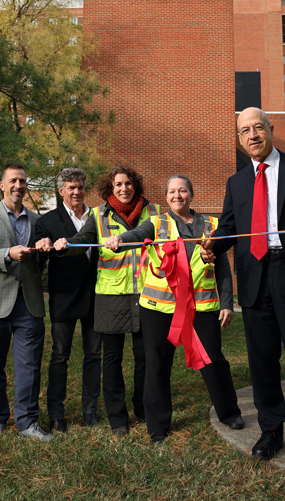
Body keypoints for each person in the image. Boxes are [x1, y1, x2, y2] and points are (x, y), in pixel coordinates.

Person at [201, 107, 285, 465]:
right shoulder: (236, 182)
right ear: (240, 140)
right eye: (245, 130)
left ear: (271, 130)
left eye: (258, 127)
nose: (253, 135)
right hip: (255, 275)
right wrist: (212, 245)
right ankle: (271, 430)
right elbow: (228, 229)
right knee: (262, 360)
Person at [104, 175, 244, 443]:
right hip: (159, 307)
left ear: (192, 194)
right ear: (166, 196)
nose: (177, 195)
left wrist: (227, 303)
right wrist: (120, 239)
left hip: (202, 306)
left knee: (213, 359)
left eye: (182, 191)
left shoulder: (211, 226)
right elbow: (136, 236)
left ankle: (229, 413)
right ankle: (158, 427)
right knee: (156, 364)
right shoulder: (157, 223)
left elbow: (223, 267)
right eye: (171, 191)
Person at [42, 165, 160, 437]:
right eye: (118, 184)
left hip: (146, 295)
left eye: (128, 183)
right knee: (112, 360)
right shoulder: (97, 214)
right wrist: (65, 245)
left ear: (135, 185)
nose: (123, 188)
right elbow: (83, 240)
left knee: (145, 358)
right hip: (110, 298)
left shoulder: (153, 212)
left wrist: (122, 238)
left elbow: (145, 231)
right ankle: (118, 419)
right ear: (111, 188)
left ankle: (142, 408)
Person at [0, 162, 51, 442]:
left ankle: (28, 422)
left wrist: (43, 252)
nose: (18, 185)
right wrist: (6, 254)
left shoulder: (39, 220)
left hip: (29, 302)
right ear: (2, 185)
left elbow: (39, 264)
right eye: (13, 181)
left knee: (29, 366)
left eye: (23, 181)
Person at [33, 168, 100, 434]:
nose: (76, 192)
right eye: (70, 187)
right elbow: (37, 255)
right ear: (60, 191)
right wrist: (42, 244)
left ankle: (90, 411)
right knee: (60, 356)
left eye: (80, 186)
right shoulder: (47, 221)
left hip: (96, 296)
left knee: (93, 355)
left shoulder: (98, 217)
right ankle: (57, 415)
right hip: (64, 297)